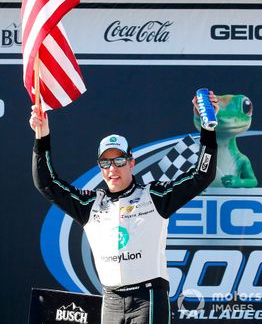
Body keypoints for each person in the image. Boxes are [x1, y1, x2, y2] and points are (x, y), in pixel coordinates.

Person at [30, 91, 219, 324]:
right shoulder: (90, 205)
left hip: (148, 298)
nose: (113, 169)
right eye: (106, 163)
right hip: (111, 300)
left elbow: (202, 175)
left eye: (119, 161)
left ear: (131, 162)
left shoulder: (155, 196)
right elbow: (46, 183)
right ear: (100, 167)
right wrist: (42, 137)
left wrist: (208, 130)